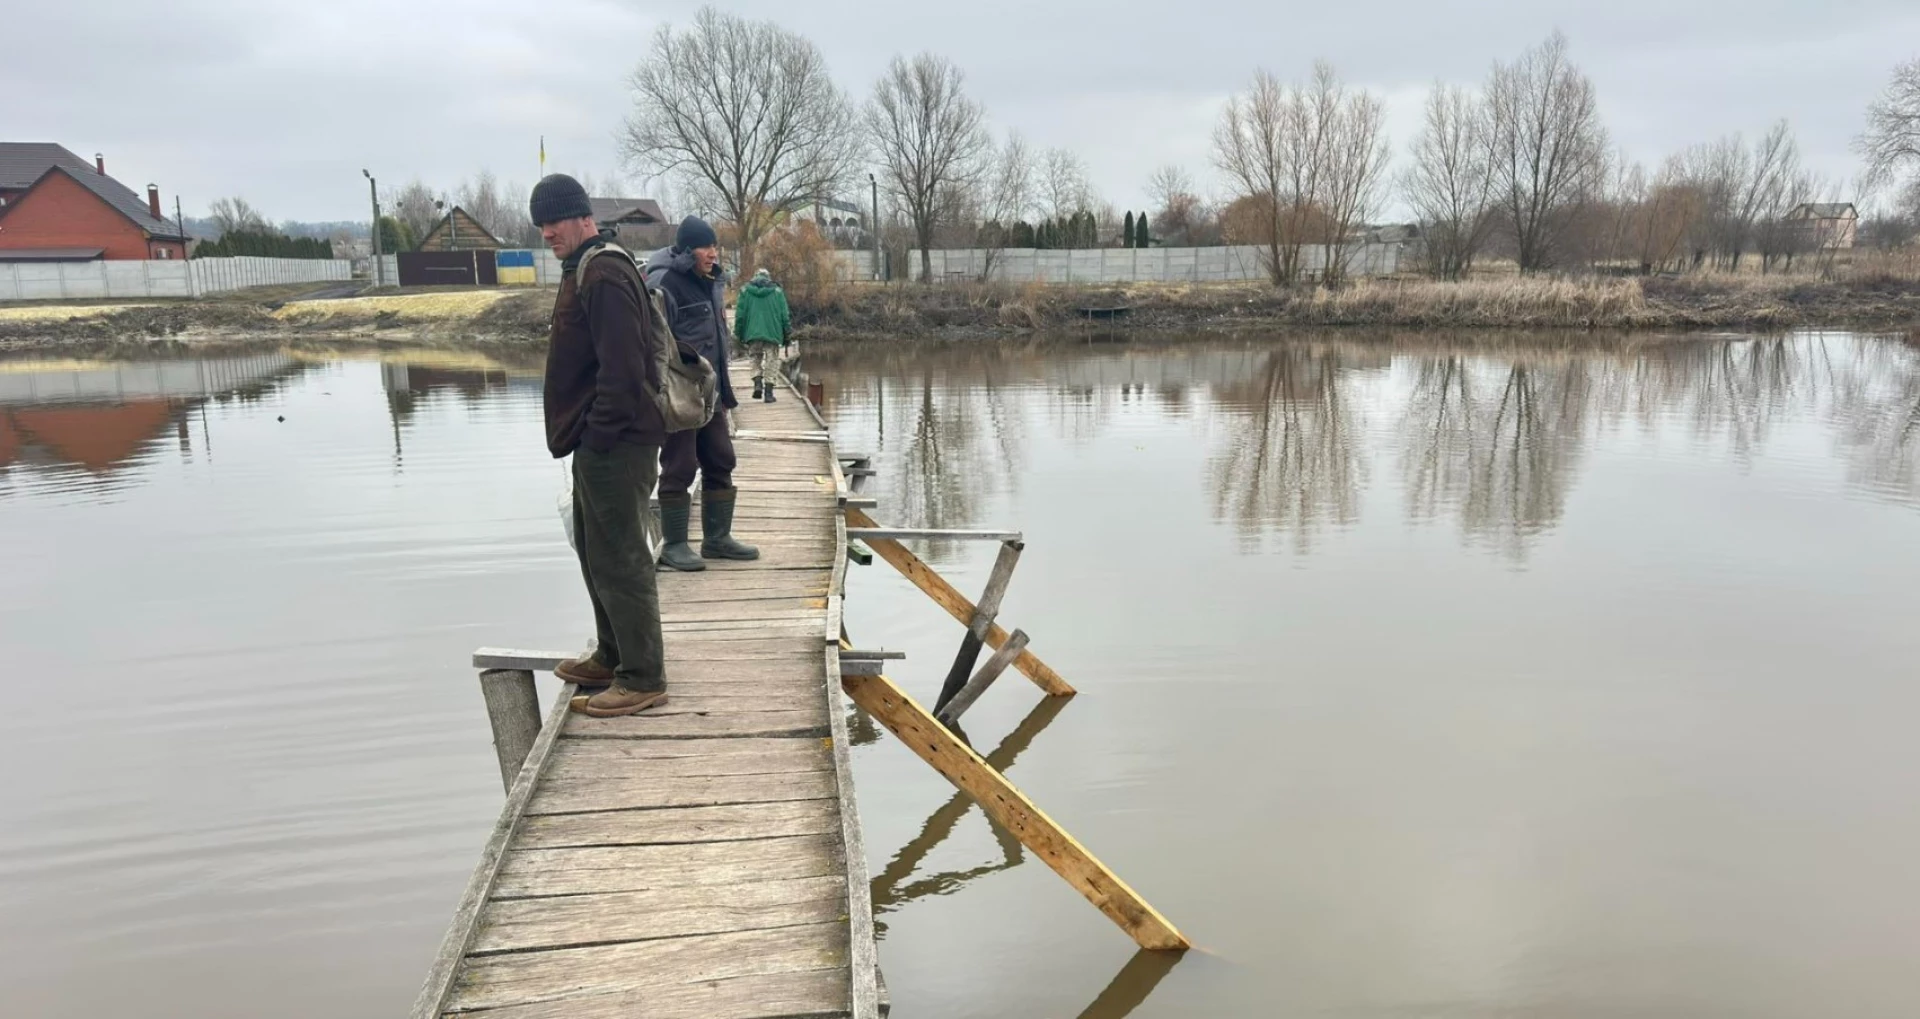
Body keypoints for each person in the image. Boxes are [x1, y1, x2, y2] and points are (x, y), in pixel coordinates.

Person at [530, 173, 669, 718]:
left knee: (621, 558)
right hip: (598, 442)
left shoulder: (604, 271)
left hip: (616, 443)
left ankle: (643, 676)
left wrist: (599, 434)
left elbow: (624, 367)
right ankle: (614, 656)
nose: (546, 232)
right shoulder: (587, 266)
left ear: (581, 216)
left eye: (553, 221)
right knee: (595, 551)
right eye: (540, 224)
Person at [644, 216, 760, 572]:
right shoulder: (665, 282)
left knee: (721, 458)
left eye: (714, 247)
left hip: (711, 392)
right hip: (680, 392)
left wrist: (724, 390)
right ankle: (675, 544)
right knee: (679, 464)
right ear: (686, 249)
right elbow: (656, 344)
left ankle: (717, 539)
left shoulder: (710, 279)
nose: (713, 253)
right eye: (706, 247)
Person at [733, 268, 791, 403]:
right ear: (768, 277)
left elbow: (740, 316)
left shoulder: (745, 291)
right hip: (773, 332)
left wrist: (738, 333)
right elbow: (784, 315)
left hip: (752, 332)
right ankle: (769, 393)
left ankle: (758, 383)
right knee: (772, 360)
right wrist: (787, 332)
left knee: (754, 358)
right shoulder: (777, 292)